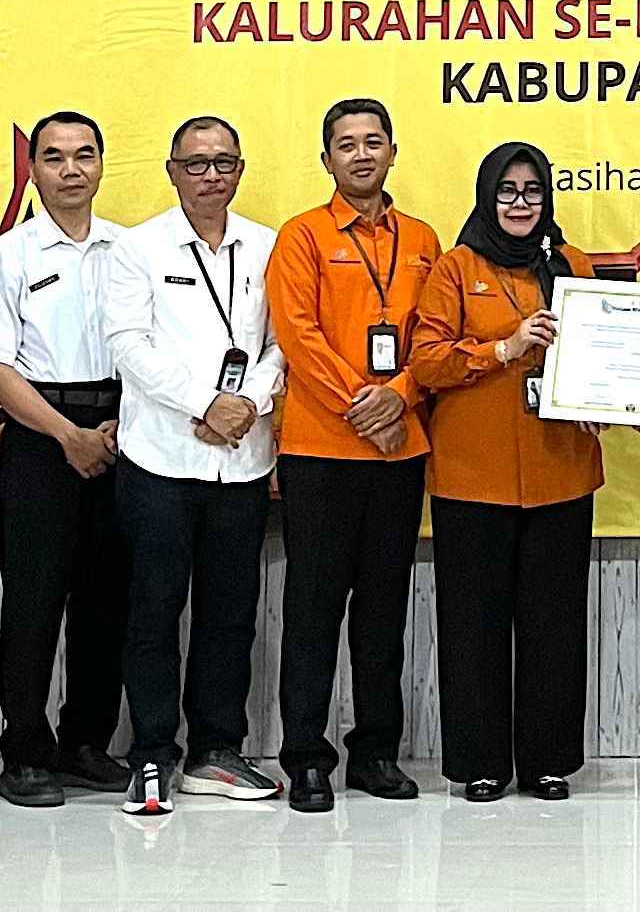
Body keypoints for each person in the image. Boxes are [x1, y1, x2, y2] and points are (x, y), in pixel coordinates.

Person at [102, 115, 285, 816]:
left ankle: (216, 750)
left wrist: (247, 402)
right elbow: (128, 345)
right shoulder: (139, 247)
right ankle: (152, 753)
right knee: (153, 611)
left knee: (230, 615)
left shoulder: (267, 245)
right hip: (160, 460)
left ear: (240, 170)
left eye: (223, 163)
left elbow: (282, 343)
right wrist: (206, 404)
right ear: (172, 171)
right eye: (196, 164)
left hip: (241, 461)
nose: (211, 176)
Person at [410, 142, 605, 802]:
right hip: (473, 475)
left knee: (555, 625)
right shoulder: (455, 267)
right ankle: (480, 763)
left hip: (560, 471)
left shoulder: (572, 265)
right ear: (486, 196)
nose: (520, 204)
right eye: (507, 191)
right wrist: (503, 348)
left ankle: (549, 761)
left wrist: (605, 401)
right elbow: (427, 362)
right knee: (474, 626)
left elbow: (602, 356)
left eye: (532, 191)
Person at [264, 97, 443, 811]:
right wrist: (365, 407)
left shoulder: (423, 239)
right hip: (321, 449)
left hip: (400, 450)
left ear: (393, 152)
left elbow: (434, 336)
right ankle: (306, 758)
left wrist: (399, 394)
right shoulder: (303, 235)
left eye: (373, 142)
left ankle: (376, 753)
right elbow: (297, 333)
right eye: (347, 144)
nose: (361, 155)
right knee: (313, 609)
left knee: (383, 610)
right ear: (327, 159)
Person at [0, 109, 132, 808]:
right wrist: (67, 435)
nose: (71, 170)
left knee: (107, 599)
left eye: (84, 155)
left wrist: (118, 424)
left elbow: (151, 347)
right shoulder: (8, 257)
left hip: (121, 431)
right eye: (54, 157)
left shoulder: (130, 251)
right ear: (33, 170)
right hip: (39, 435)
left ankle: (86, 742)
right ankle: (25, 752)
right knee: (34, 599)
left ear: (101, 164)